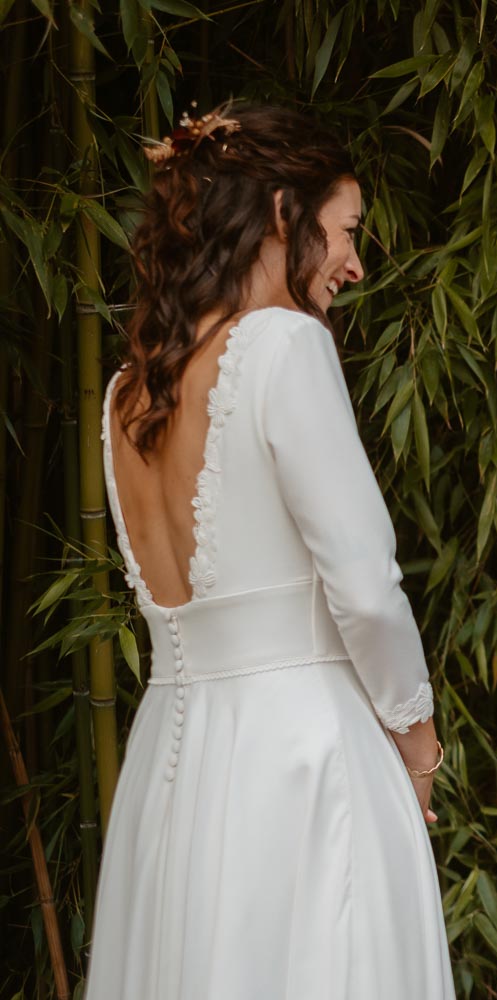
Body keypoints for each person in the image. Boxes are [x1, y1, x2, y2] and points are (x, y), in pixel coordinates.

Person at [86, 104, 454, 1000]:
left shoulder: (127, 394)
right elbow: (366, 588)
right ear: (284, 215)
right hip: (304, 759)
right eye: (346, 232)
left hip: (169, 767)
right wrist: (417, 746)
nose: (356, 264)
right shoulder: (285, 345)